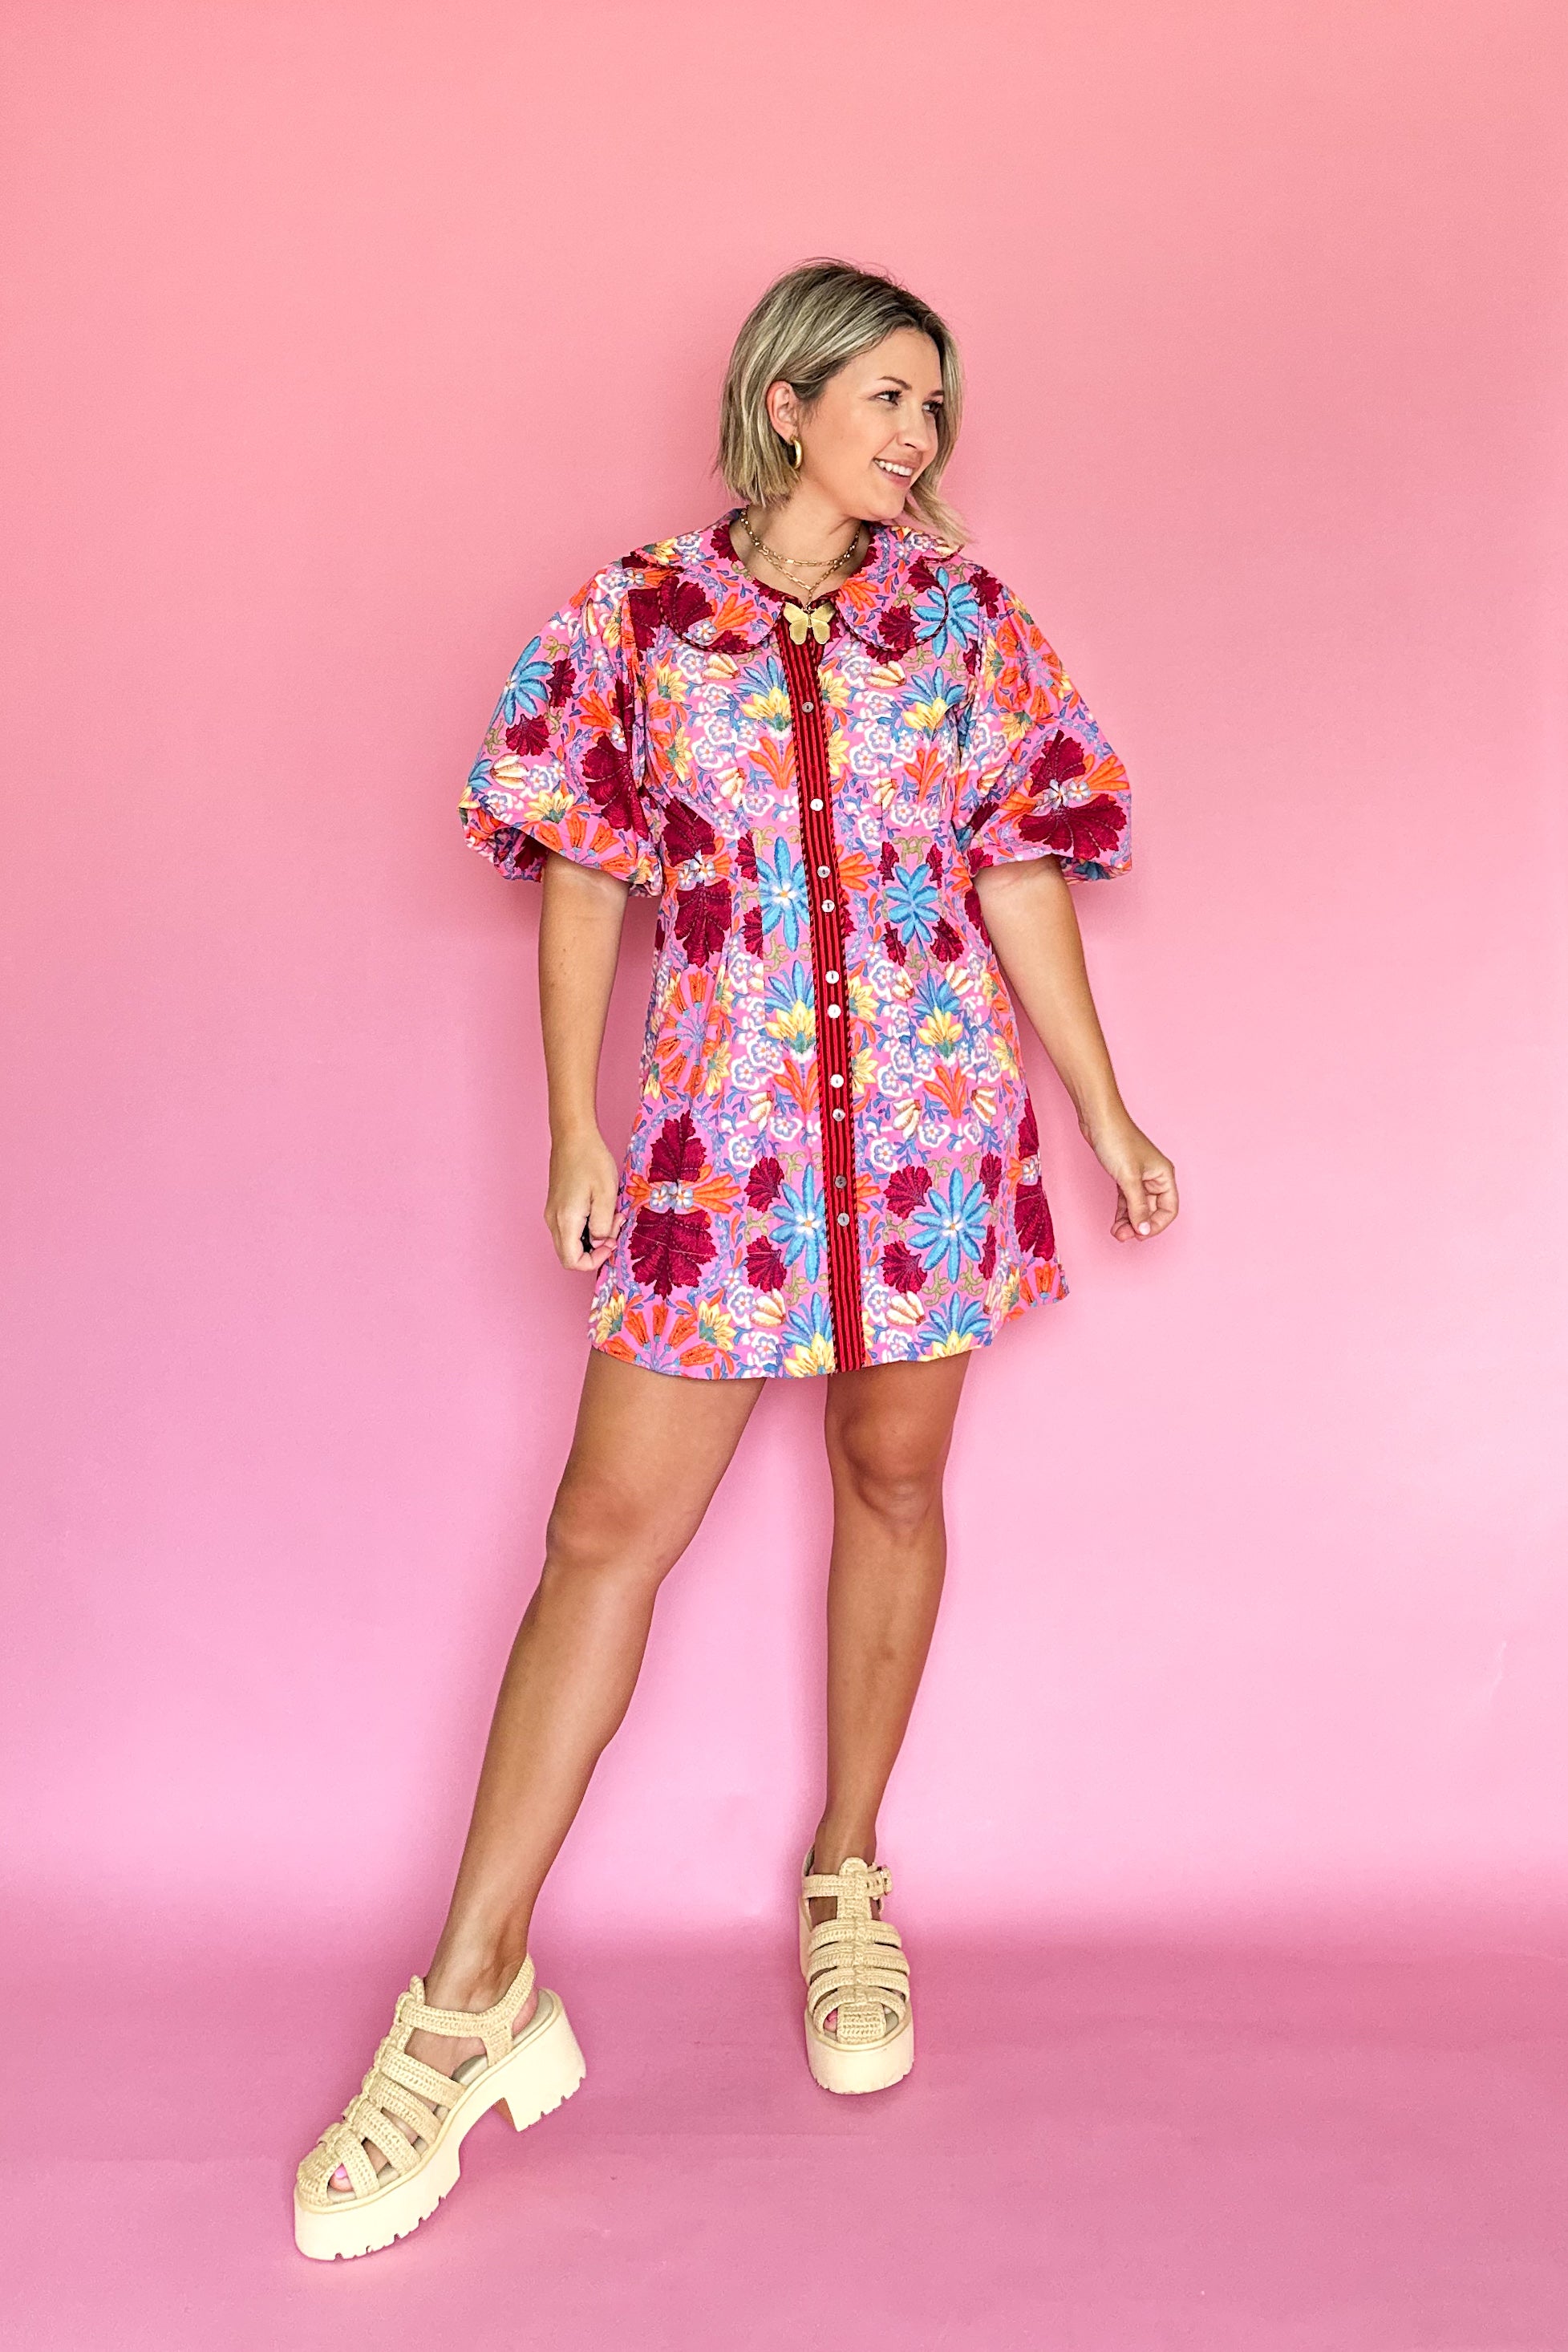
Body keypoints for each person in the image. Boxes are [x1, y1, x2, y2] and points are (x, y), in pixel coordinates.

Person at [293, 258, 1177, 2261]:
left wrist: (1105, 1112)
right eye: (886, 397)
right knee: (604, 1532)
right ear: (786, 402)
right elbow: (583, 877)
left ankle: (847, 1874)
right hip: (727, 1141)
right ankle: (469, 1998)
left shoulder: (961, 620)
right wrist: (576, 1124)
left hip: (933, 1139)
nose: (917, 438)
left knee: (893, 1479)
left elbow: (1018, 870)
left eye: (934, 409)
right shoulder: (636, 618)